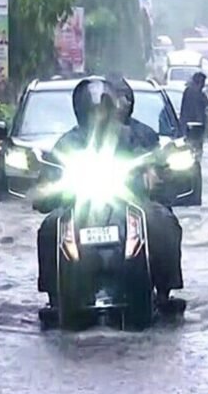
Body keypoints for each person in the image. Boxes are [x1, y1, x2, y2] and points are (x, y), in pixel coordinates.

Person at [36, 77, 185, 312]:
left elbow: (154, 164)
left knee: (162, 221)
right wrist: (48, 186)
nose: (99, 113)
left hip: (129, 200)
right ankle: (54, 297)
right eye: (94, 108)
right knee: (50, 227)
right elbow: (51, 174)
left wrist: (152, 174)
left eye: (104, 107)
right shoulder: (69, 141)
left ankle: (165, 291)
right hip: (81, 203)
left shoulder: (135, 135)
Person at [179, 71, 208, 153]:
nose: (204, 84)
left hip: (191, 125)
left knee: (192, 147)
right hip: (194, 126)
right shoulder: (195, 93)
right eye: (203, 82)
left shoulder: (191, 92)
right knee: (195, 147)